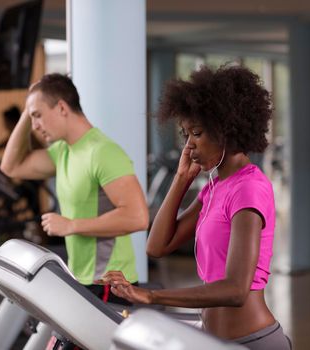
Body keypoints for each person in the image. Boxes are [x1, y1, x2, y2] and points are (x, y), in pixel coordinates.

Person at [100, 65, 292, 349]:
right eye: (185, 134)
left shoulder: (248, 188)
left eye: (197, 133)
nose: (188, 146)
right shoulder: (214, 188)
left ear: (226, 130)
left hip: (252, 342)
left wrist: (151, 297)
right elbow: (157, 246)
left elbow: (236, 289)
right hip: (213, 340)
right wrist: (180, 179)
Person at [0, 73, 149, 305]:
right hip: (81, 278)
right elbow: (11, 167)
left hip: (108, 284)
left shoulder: (103, 152)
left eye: (38, 116)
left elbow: (137, 217)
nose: (36, 126)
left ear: (61, 107)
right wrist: (28, 113)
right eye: (33, 119)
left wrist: (71, 226)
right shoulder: (63, 151)